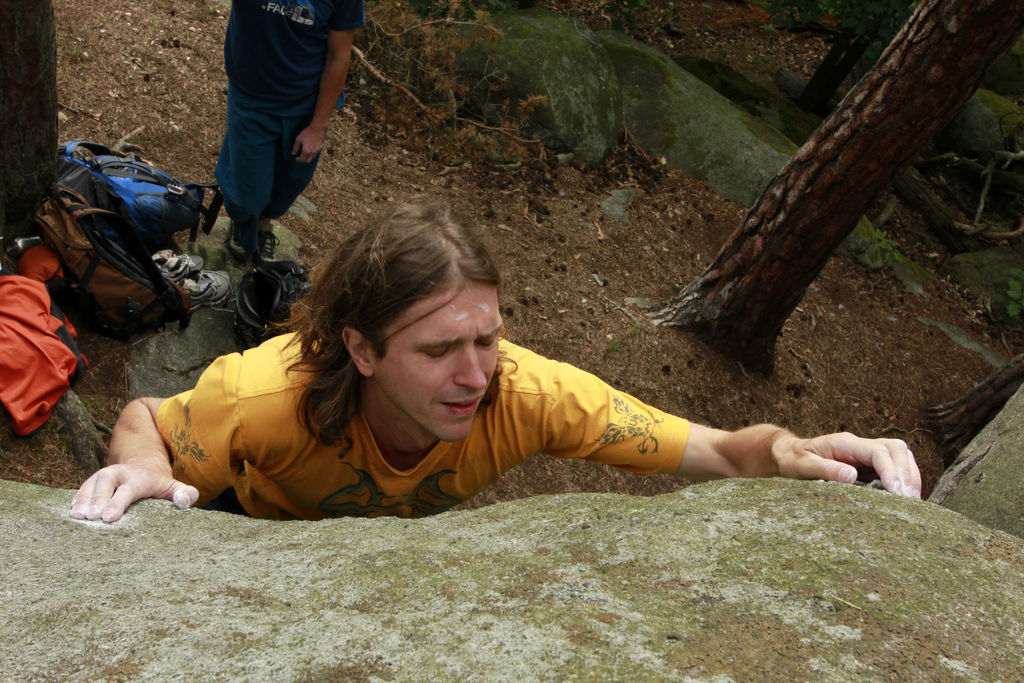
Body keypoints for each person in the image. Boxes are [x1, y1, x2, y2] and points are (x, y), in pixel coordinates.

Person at [70, 201, 921, 524]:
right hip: (246, 525)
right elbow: (148, 419)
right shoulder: (268, 394)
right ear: (359, 348)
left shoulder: (531, 394)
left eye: (487, 338)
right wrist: (142, 473)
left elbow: (725, 450)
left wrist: (799, 454)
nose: (477, 374)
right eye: (440, 349)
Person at [217, 0, 364, 265]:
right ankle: (243, 224)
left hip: (304, 103)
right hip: (252, 97)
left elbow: (339, 55)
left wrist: (318, 127)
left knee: (289, 184)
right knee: (248, 192)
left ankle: (262, 223)